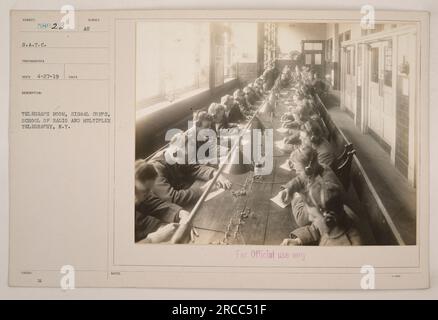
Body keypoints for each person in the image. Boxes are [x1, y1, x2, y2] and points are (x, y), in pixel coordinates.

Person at [149, 134, 232, 207]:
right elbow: (172, 198)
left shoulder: (175, 155)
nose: (187, 159)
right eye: (186, 156)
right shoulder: (155, 169)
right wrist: (203, 189)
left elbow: (195, 168)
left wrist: (215, 173)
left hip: (181, 197)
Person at [281, 179, 363, 246]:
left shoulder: (346, 247)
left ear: (328, 219)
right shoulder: (339, 216)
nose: (309, 218)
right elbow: (317, 228)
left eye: (313, 216)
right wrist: (298, 240)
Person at [277, 146, 342, 227]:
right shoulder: (320, 167)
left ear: (309, 169)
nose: (296, 172)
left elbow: (300, 218)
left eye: (299, 170)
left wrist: (295, 196)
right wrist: (290, 189)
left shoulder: (324, 192)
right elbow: (300, 179)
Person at [134, 160, 190, 243]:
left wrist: (181, 213)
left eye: (149, 191)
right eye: (145, 191)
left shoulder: (141, 193)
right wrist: (154, 238)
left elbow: (156, 205)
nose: (147, 195)